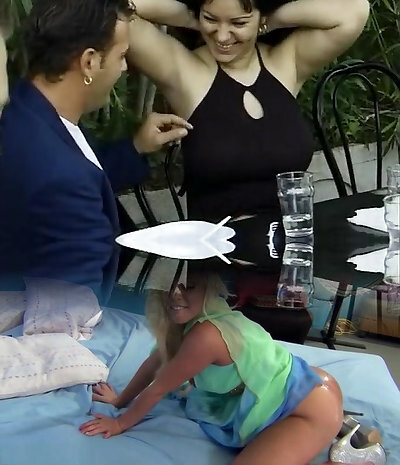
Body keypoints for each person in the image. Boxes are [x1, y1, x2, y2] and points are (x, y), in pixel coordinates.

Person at [0, 0, 192, 303]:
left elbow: (75, 174)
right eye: (122, 56)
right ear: (89, 62)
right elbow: (74, 313)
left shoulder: (24, 111)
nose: (124, 68)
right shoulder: (64, 178)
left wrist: (135, 147)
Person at [122, 0, 370, 220]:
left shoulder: (285, 62)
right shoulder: (183, 70)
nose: (222, 36)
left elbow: (355, 10)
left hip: (293, 242)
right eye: (211, 19)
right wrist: (192, 17)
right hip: (221, 252)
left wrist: (267, 19)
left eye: (238, 22)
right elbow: (115, 9)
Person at [79, 273, 344, 465]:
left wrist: (120, 423)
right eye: (169, 285)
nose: (176, 294)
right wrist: (119, 401)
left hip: (309, 407)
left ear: (208, 288)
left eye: (189, 286)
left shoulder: (206, 335)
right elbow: (154, 362)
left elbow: (158, 388)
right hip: (298, 385)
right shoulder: (187, 323)